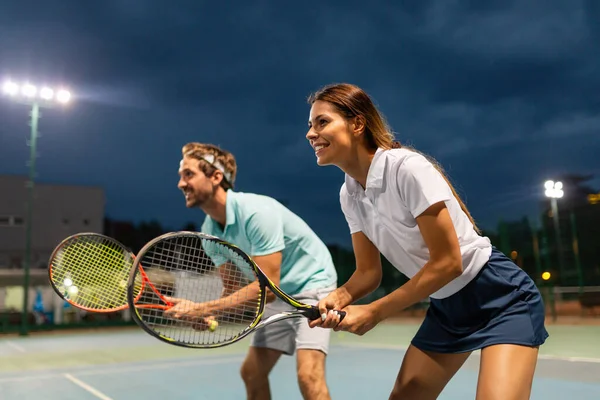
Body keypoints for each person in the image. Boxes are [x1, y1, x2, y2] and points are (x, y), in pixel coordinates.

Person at [304, 83, 549, 399]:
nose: (311, 133)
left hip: (501, 298)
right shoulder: (349, 193)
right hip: (447, 308)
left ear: (357, 124)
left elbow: (448, 263)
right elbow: (368, 273)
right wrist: (339, 297)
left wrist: (374, 311)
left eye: (322, 122)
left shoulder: (407, 168)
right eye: (310, 125)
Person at [174, 142, 338, 400]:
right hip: (276, 292)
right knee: (252, 372)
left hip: (312, 285)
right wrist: (204, 313)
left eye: (189, 174)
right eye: (181, 176)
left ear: (216, 177)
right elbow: (235, 289)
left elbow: (267, 288)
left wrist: (204, 308)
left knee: (309, 376)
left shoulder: (256, 212)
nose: (181, 184)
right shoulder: (209, 233)